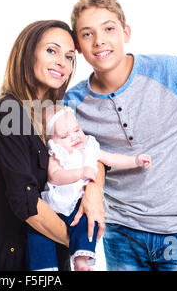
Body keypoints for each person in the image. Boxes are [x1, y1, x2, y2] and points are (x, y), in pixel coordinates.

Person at [64, 0, 177, 271]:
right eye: (87, 34)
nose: (99, 41)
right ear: (78, 45)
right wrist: (93, 189)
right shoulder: (73, 103)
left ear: (126, 32)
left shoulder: (171, 72)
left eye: (109, 28)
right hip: (122, 233)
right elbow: (81, 154)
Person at [0, 20, 106, 271]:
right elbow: (26, 203)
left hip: (56, 259)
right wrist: (81, 243)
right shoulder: (7, 114)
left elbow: (90, 153)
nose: (62, 62)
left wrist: (93, 192)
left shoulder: (51, 114)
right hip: (22, 261)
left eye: (69, 56)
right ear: (28, 53)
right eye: (52, 50)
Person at [27, 104, 151, 271]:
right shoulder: (56, 154)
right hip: (55, 207)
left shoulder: (90, 148)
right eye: (65, 135)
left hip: (78, 205)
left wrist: (134, 161)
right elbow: (55, 176)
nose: (74, 137)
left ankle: (81, 260)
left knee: (87, 222)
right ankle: (45, 268)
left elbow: (112, 159)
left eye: (77, 130)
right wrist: (80, 173)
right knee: (39, 235)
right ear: (51, 141)